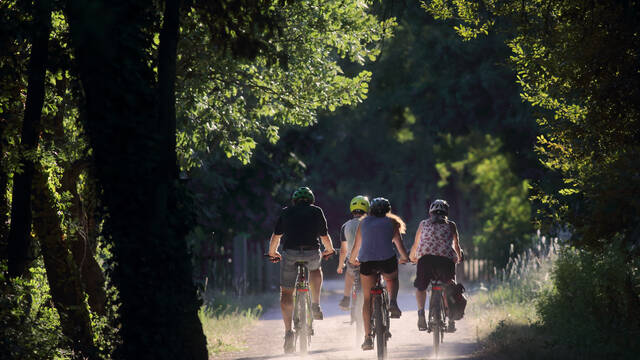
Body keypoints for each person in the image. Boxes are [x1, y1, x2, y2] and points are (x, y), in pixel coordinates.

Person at [268, 186, 335, 353]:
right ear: (311, 200)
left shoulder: (286, 211)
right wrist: (329, 250)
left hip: (290, 254)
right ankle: (315, 305)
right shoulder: (316, 211)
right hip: (312, 252)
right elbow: (324, 236)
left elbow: (276, 236)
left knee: (286, 294)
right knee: (315, 270)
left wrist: (272, 253)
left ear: (294, 200)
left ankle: (288, 333)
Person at [349, 197, 410, 351]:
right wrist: (404, 258)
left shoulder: (363, 223)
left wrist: (353, 260)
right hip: (387, 261)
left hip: (367, 263)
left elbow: (356, 246)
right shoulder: (392, 223)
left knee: (367, 299)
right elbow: (400, 246)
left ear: (370, 210)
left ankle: (368, 338)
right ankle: (393, 302)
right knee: (392, 278)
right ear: (387, 211)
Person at [409, 199, 462, 333]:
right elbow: (456, 246)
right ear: (446, 213)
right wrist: (459, 257)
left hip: (425, 260)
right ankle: (450, 320)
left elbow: (416, 244)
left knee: (421, 286)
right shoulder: (451, 225)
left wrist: (412, 257)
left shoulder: (423, 224)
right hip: (445, 261)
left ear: (430, 213)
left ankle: (421, 313)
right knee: (449, 287)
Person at [336, 195, 370, 311]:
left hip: (353, 262)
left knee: (349, 273)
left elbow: (343, 250)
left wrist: (340, 266)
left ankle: (346, 298)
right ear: (367, 208)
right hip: (369, 261)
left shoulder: (345, 226)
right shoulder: (370, 223)